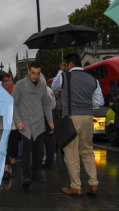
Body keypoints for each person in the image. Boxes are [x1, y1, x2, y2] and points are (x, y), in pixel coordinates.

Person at [52, 53, 104, 196]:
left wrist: (60, 71)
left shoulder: (64, 76)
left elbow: (54, 87)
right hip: (87, 117)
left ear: (69, 65)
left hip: (71, 118)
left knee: (72, 153)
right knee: (87, 151)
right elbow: (100, 101)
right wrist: (85, 103)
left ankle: (76, 186)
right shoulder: (93, 79)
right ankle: (93, 184)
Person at [12, 62, 54, 189]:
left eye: (38, 73)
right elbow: (13, 104)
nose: (35, 76)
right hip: (25, 124)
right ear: (28, 71)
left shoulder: (42, 86)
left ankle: (36, 173)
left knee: (38, 151)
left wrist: (50, 121)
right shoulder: (19, 85)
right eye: (33, 73)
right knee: (26, 152)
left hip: (39, 123)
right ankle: (26, 176)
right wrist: (18, 121)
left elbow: (46, 105)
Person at [1, 74, 20, 180]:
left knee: (14, 144)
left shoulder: (17, 91)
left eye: (8, 80)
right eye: (4, 81)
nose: (7, 83)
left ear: (12, 81)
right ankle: (6, 168)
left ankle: (12, 161)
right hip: (4, 123)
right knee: (4, 146)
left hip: (15, 123)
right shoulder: (0, 92)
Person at [39, 73, 56, 168]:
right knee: (48, 140)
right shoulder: (49, 90)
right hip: (49, 115)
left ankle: (40, 160)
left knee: (40, 140)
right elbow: (53, 105)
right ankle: (49, 161)